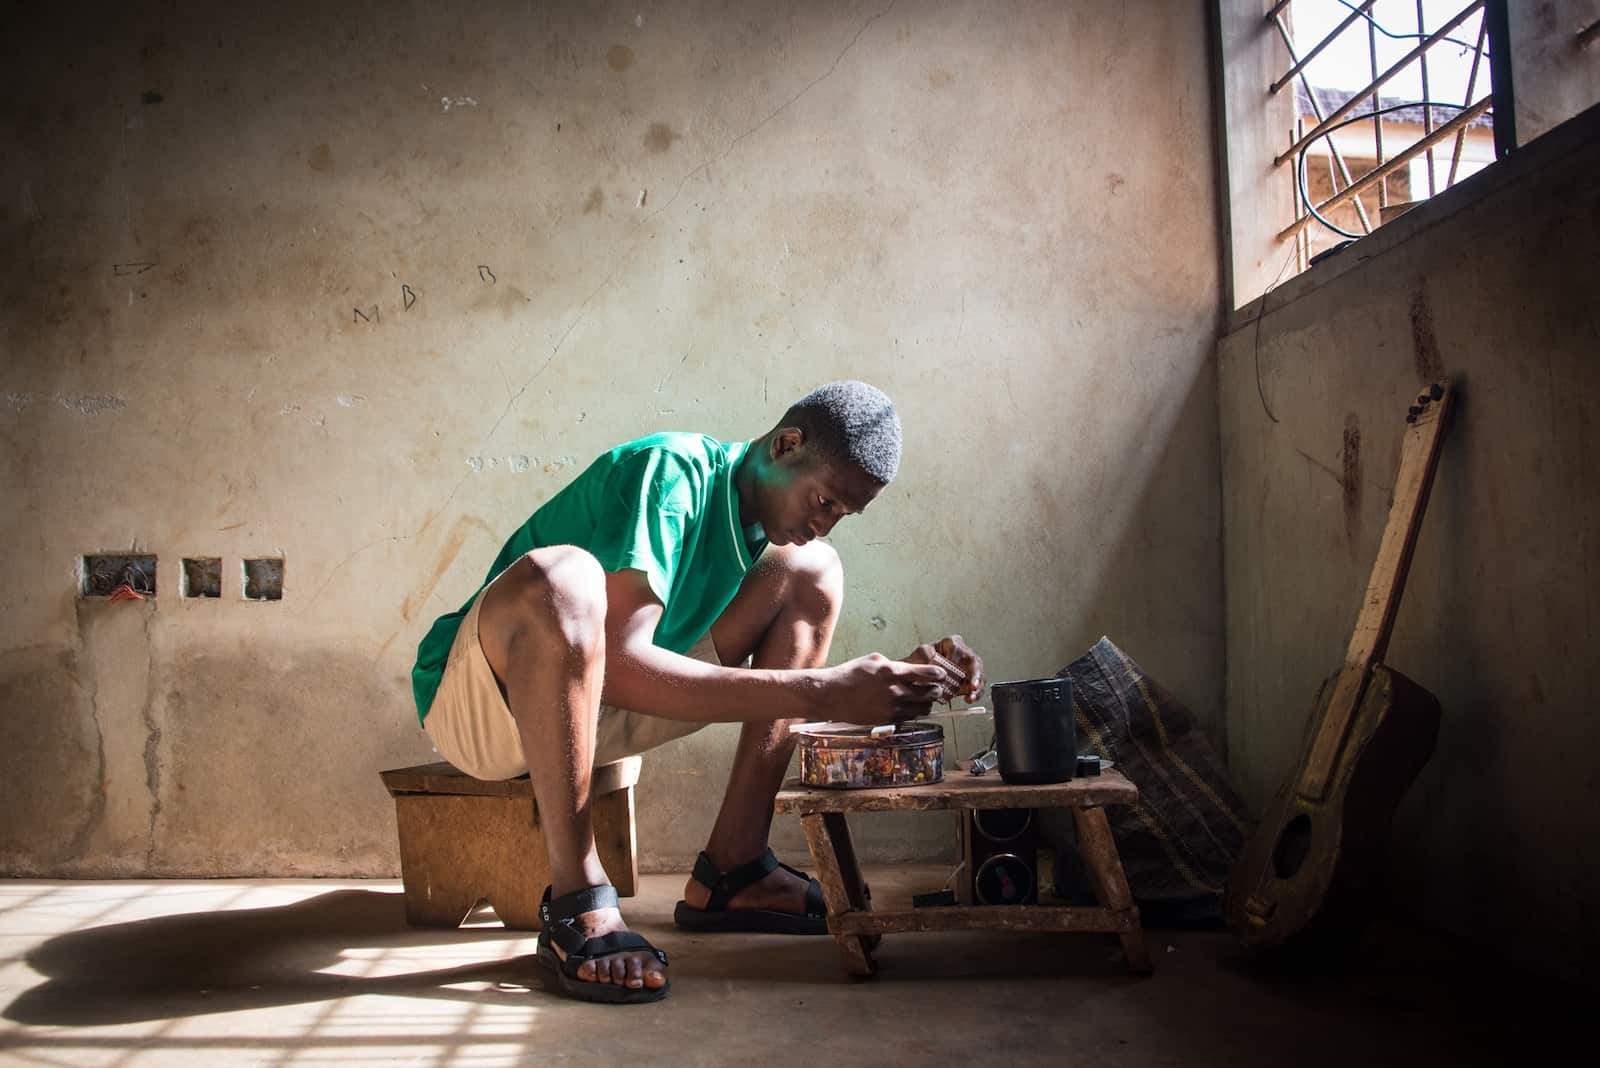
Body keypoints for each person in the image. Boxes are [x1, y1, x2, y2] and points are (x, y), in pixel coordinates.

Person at [410, 380, 985, 1004]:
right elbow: (623, 663)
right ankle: (577, 900)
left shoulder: (766, 531)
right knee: (564, 578)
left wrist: (893, 680)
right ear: (785, 444)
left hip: (601, 702)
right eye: (821, 499)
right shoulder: (672, 472)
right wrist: (822, 691)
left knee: (813, 573)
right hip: (488, 705)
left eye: (841, 514)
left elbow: (624, 677)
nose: (822, 523)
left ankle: (733, 868)